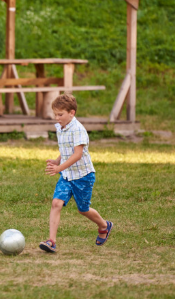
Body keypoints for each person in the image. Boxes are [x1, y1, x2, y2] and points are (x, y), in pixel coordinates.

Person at [39, 94, 113, 253]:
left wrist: (58, 168)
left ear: (71, 113)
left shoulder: (78, 130)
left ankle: (104, 225)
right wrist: (58, 161)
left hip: (83, 176)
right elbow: (66, 149)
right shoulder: (60, 127)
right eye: (55, 114)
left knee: (83, 209)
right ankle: (51, 241)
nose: (57, 118)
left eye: (60, 114)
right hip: (67, 175)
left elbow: (77, 154)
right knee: (56, 203)